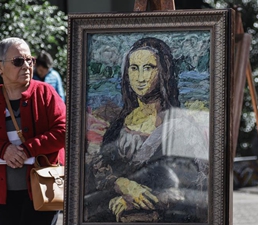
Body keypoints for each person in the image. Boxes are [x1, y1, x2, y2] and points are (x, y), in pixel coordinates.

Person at [84, 37, 209, 223]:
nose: (140, 77)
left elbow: (190, 189)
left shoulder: (180, 126)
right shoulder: (119, 125)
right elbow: (98, 173)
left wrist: (135, 202)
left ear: (163, 72)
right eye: (134, 68)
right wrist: (123, 185)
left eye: (148, 67)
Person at [0, 37, 66, 225]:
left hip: (45, 188)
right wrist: (2, 150)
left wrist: (28, 149)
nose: (26, 66)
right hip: (3, 194)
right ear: (0, 67)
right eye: (18, 61)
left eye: (29, 60)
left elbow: (64, 131)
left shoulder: (46, 93)